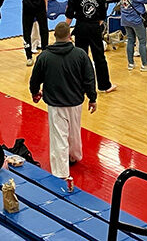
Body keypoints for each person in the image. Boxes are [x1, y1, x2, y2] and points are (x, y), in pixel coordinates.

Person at [29, 22, 97, 179]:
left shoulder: (44, 56)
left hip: (55, 103)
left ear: (54, 36)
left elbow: (35, 79)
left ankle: (61, 172)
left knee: (59, 136)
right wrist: (92, 98)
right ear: (70, 36)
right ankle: (74, 156)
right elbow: (89, 79)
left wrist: (35, 93)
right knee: (74, 131)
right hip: (75, 102)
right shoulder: (80, 55)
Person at [66, 0, 116, 94]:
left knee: (80, 57)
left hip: (81, 28)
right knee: (99, 57)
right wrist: (93, 25)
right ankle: (105, 85)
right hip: (94, 28)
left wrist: (66, 31)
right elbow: (101, 18)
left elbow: (69, 16)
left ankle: (78, 86)